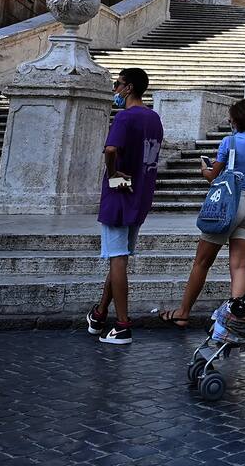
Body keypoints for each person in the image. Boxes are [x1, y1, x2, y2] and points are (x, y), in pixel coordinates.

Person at [159, 99, 245, 328]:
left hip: (227, 204)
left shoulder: (229, 142)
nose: (229, 120)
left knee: (202, 262)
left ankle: (183, 312)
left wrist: (203, 168)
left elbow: (213, 177)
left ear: (237, 118)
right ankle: (237, 318)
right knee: (239, 265)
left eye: (231, 117)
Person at [86, 68, 163, 346]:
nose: (115, 90)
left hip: (120, 193)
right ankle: (100, 313)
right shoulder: (154, 118)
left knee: (117, 258)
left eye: (117, 84)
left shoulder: (125, 117)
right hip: (141, 195)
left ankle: (122, 325)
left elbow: (110, 150)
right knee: (120, 255)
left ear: (129, 88)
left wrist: (113, 173)